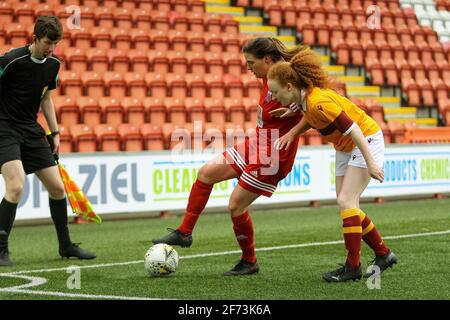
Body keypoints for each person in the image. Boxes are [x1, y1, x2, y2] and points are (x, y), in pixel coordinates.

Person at [152, 37, 303, 276]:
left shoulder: (289, 78)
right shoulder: (270, 74)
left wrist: (296, 111)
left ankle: (249, 261)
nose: (248, 67)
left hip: (273, 154)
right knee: (206, 173)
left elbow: (315, 101)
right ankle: (185, 232)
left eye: (251, 62)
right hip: (256, 142)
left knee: (235, 205)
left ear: (266, 59)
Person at [266, 45, 397, 282]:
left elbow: (355, 129)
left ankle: (353, 266)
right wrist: (293, 131)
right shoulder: (305, 99)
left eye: (275, 93)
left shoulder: (318, 101)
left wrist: (371, 164)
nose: (274, 98)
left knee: (346, 200)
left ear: (289, 86)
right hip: (345, 147)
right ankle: (383, 253)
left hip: (364, 140)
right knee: (347, 205)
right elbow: (309, 116)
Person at [0, 16, 96, 267]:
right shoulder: (11, 61)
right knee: (16, 185)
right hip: (4, 128)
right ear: (35, 38)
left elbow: (46, 99)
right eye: (47, 43)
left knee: (57, 188)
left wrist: (55, 133)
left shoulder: (53, 64)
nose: (51, 49)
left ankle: (65, 246)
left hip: (31, 129)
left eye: (55, 43)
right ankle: (0, 250)